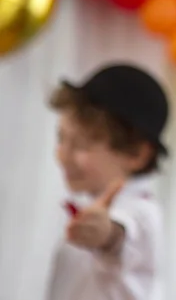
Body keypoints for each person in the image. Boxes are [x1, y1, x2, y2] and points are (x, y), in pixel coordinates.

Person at [45, 64, 169, 300]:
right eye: (61, 138)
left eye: (81, 145)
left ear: (137, 154)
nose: (63, 154)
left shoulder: (142, 214)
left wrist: (107, 235)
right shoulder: (86, 204)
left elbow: (120, 236)